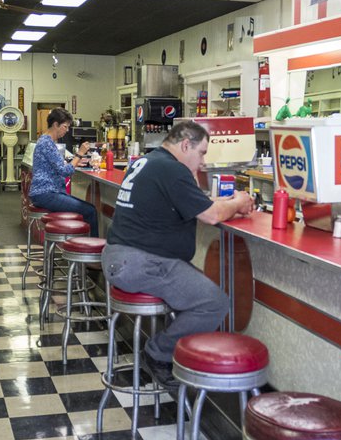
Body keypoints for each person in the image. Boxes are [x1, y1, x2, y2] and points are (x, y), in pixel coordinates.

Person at [101, 121, 255, 387]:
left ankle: (166, 347)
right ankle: (158, 353)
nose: (203, 160)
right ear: (186, 145)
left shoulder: (150, 162)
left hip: (119, 257)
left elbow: (202, 204)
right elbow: (211, 215)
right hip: (141, 262)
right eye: (202, 152)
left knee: (195, 285)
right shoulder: (173, 170)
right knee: (215, 302)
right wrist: (238, 203)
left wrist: (230, 203)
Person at [28, 108, 98, 236]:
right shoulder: (47, 143)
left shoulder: (46, 141)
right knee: (90, 211)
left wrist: (74, 162)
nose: (66, 130)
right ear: (55, 125)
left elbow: (57, 166)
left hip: (44, 193)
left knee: (87, 209)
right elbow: (64, 171)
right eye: (65, 127)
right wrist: (80, 153)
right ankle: (93, 251)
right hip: (46, 193)